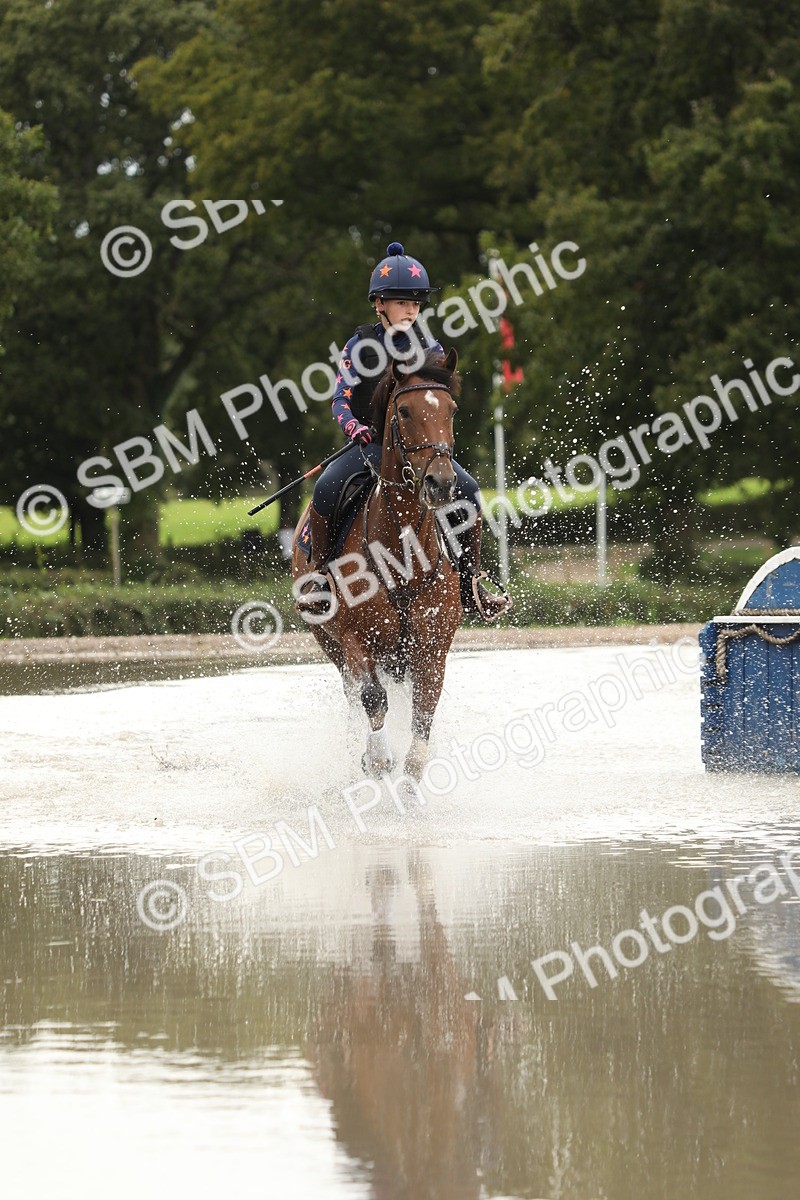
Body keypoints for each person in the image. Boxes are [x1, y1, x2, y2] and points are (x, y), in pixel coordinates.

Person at [300, 242, 511, 622]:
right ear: (379, 303)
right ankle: (320, 577)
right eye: (402, 301)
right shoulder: (358, 345)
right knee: (325, 487)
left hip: (420, 451)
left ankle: (472, 581)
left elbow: (439, 399)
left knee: (470, 492)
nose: (411, 309)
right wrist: (354, 426)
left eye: (416, 302)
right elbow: (340, 398)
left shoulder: (429, 347)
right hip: (370, 446)